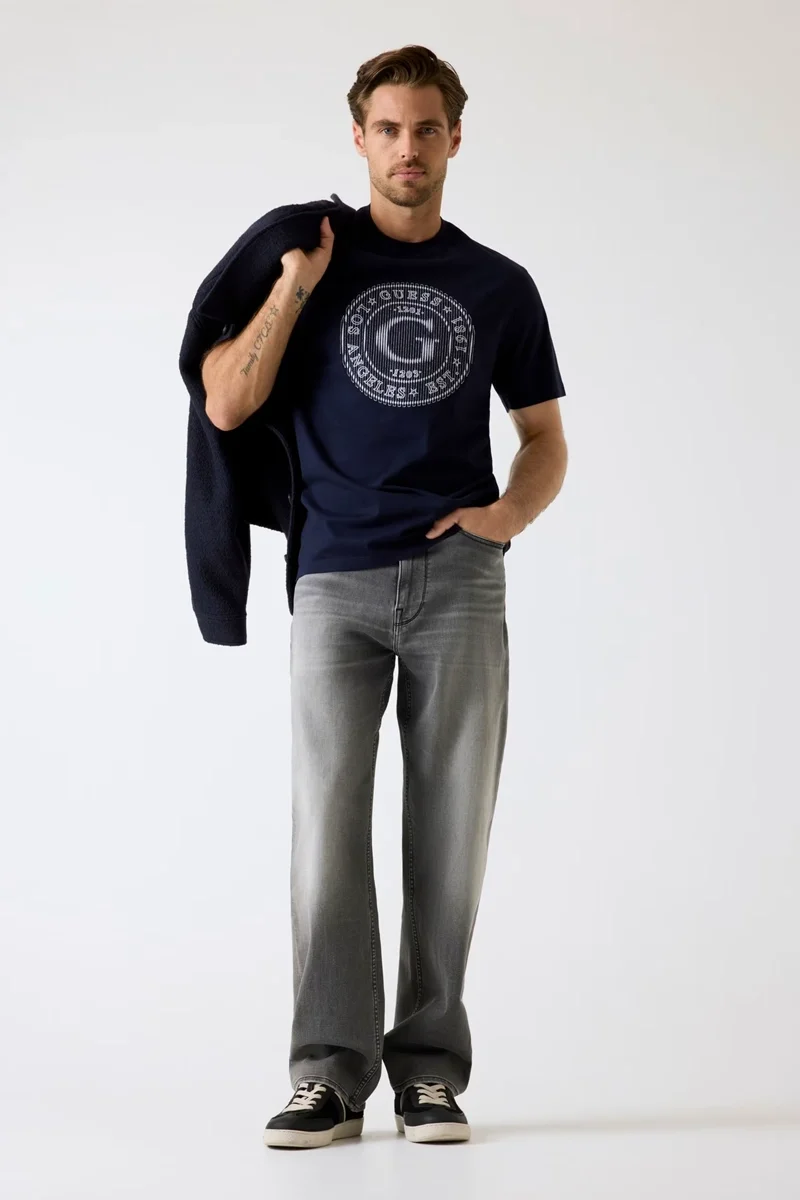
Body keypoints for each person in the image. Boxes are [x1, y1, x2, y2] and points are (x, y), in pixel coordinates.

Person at [202, 44, 568, 1150]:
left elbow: (543, 437)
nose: (409, 148)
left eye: (427, 129)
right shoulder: (305, 257)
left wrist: (506, 515)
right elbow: (226, 404)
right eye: (389, 129)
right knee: (327, 828)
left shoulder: (499, 285)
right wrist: (294, 286)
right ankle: (326, 1072)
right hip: (335, 576)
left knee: (450, 833)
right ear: (358, 138)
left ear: (455, 138)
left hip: (459, 582)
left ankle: (429, 1074)